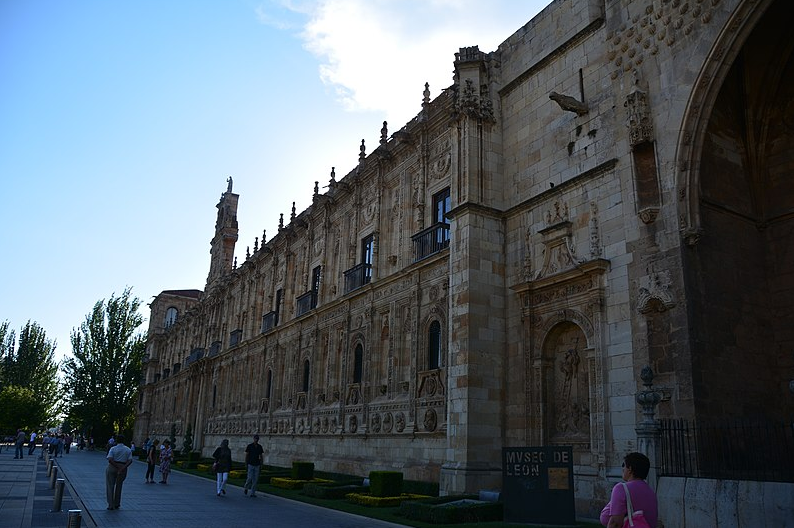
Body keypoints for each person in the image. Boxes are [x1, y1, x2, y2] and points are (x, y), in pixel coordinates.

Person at [600, 452, 658, 528]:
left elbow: (615, 523)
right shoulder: (650, 491)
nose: (622, 469)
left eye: (623, 465)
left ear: (630, 469)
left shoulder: (621, 488)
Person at [105, 433, 133, 510]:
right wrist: (122, 468)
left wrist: (117, 466)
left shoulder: (113, 449)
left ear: (116, 440)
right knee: (119, 486)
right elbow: (130, 460)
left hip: (112, 467)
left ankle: (110, 505)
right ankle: (117, 503)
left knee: (110, 486)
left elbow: (110, 459)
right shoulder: (128, 449)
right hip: (123, 467)